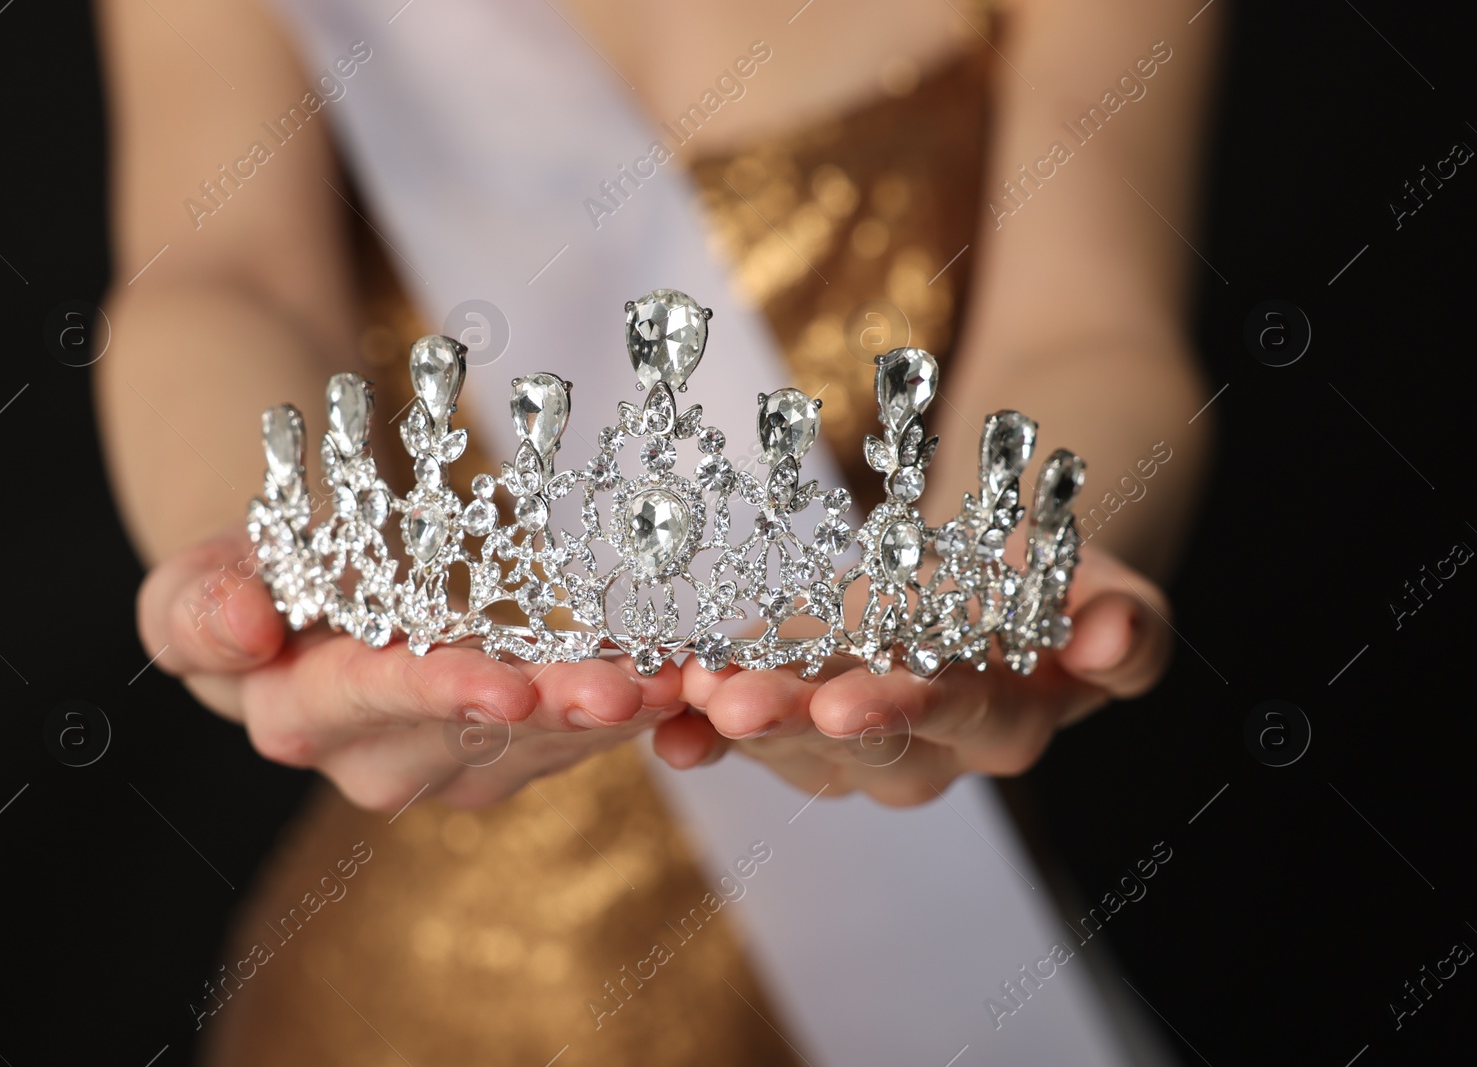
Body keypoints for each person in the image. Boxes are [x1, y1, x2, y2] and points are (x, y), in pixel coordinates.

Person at [95, 0, 1217, 1061]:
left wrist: (1017, 549)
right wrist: (235, 540)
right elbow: (224, 273)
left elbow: (1081, 327)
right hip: (412, 997)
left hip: (911, 930)